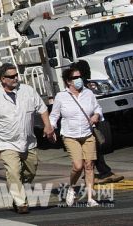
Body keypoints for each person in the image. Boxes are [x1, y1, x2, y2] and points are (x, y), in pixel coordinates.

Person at [0, 63, 55, 214]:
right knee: (14, 171)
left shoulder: (28, 91)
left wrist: (48, 126)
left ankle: (16, 192)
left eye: (16, 75)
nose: (15, 78)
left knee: (30, 172)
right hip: (6, 142)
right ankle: (21, 203)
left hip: (28, 141)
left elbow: (43, 109)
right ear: (2, 79)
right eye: (11, 76)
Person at [49, 64, 102, 207]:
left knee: (89, 165)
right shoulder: (61, 96)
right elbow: (54, 116)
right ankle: (72, 188)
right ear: (68, 81)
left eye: (80, 77)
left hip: (87, 133)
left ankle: (90, 198)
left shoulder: (88, 93)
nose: (79, 79)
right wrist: (51, 129)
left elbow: (97, 108)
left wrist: (96, 115)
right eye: (75, 77)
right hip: (70, 135)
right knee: (78, 166)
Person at [74, 60, 124, 185]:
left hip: (88, 125)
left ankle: (99, 173)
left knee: (94, 149)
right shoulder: (76, 90)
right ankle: (102, 173)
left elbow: (96, 107)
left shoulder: (86, 89)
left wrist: (96, 116)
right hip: (79, 127)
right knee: (92, 150)